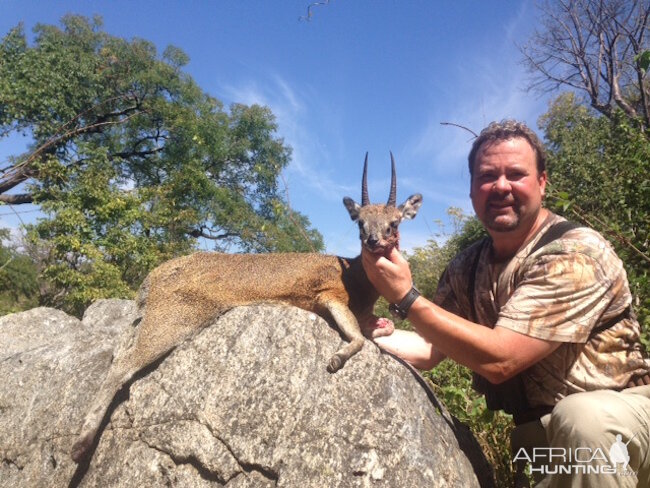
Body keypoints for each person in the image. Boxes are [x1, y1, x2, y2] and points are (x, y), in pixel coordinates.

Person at [361, 120, 650, 487]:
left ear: (542, 183)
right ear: (470, 190)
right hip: (540, 440)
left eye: (515, 174)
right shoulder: (466, 267)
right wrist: (352, 332)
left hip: (621, 428)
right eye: (486, 176)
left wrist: (407, 296)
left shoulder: (575, 253)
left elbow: (502, 359)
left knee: (583, 420)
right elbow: (432, 347)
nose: (500, 186)